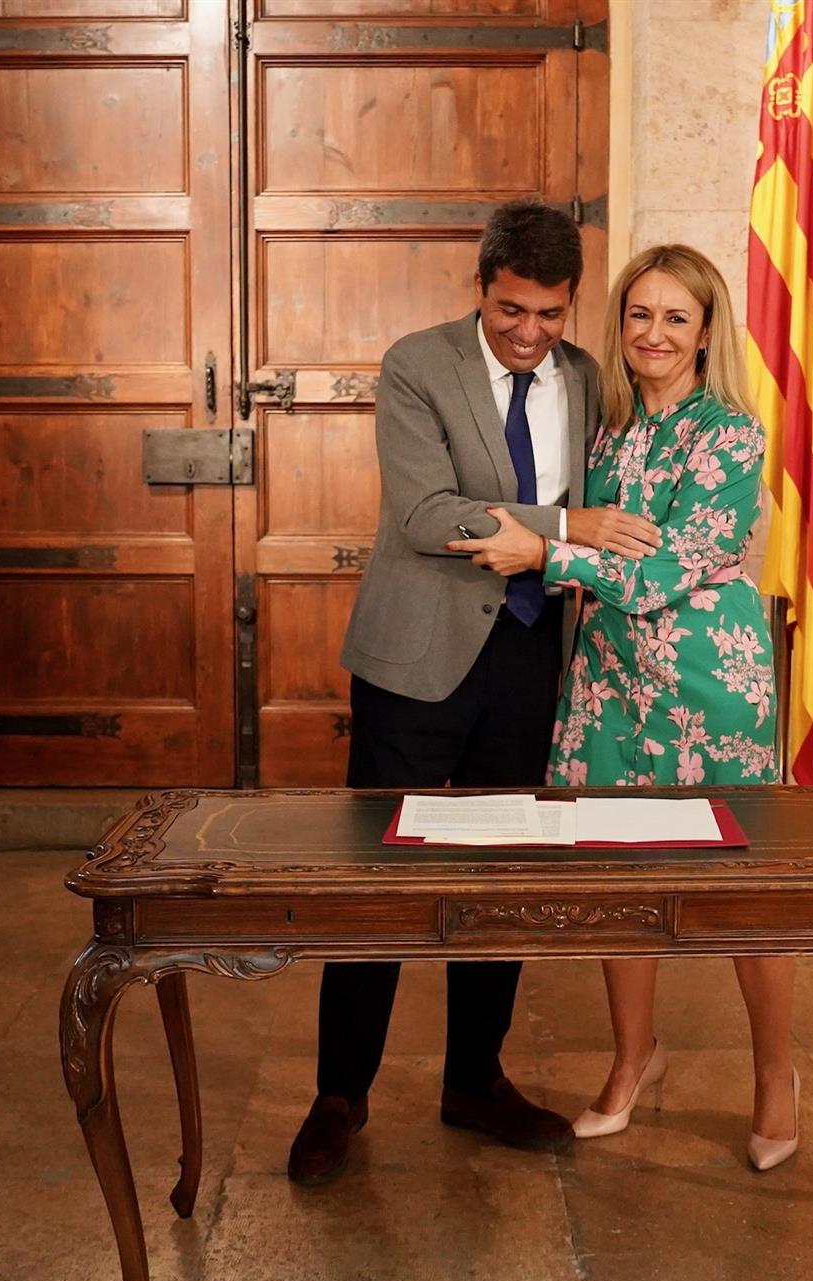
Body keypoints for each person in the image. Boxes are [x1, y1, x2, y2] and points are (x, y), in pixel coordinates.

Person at [289, 203, 665, 1187]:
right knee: (379, 885)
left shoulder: (587, 380)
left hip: (533, 662)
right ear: (481, 285)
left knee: (505, 878)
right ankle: (341, 1093)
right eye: (511, 310)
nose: (530, 331)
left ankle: (475, 1078)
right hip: (416, 659)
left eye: (549, 312)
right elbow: (425, 513)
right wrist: (567, 522)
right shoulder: (417, 364)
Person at [446, 244, 795, 1171]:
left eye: (676, 317)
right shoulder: (606, 432)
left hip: (708, 687)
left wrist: (545, 556)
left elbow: (667, 568)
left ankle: (775, 1075)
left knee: (745, 893)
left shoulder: (732, 434)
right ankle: (635, 1056)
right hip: (608, 683)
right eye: (639, 314)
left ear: (707, 331)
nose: (654, 333)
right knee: (619, 882)